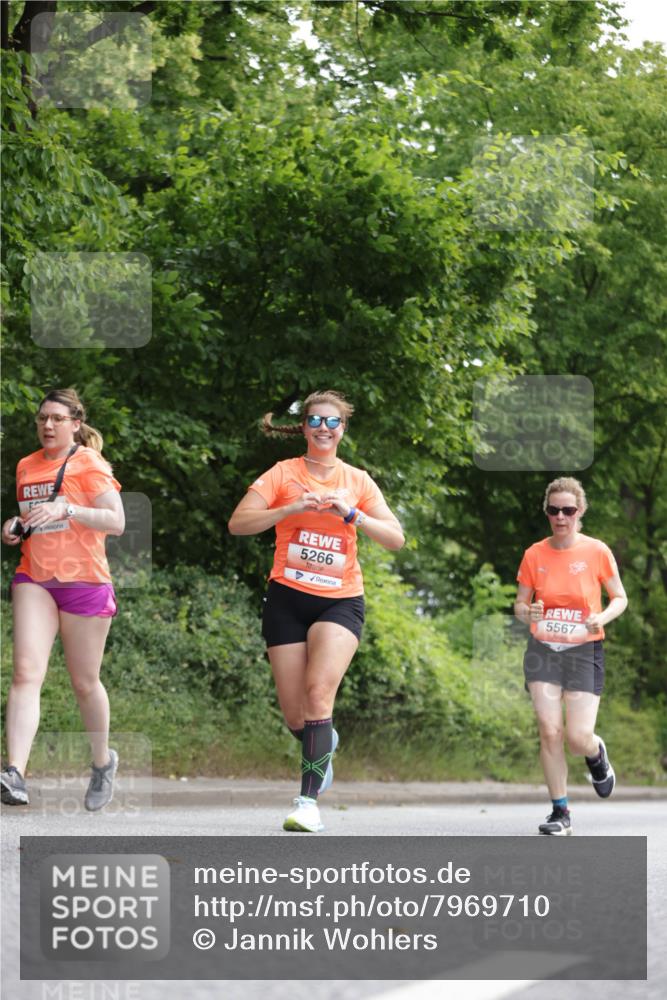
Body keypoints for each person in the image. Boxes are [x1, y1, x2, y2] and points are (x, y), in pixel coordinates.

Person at [228, 390, 404, 832]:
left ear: (343, 429)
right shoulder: (283, 473)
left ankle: (307, 803)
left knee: (318, 696)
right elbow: (238, 523)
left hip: (340, 600)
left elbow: (395, 538)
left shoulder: (357, 480)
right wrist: (289, 507)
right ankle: (322, 742)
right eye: (316, 422)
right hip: (287, 597)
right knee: (296, 715)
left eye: (333, 423)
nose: (324, 429)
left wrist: (352, 515)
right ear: (304, 427)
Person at [1, 388, 125, 811]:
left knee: (83, 682)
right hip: (35, 575)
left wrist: (68, 509)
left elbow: (117, 521)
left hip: (84, 581)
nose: (47, 426)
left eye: (56, 418)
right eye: (41, 419)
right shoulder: (26, 465)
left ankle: (102, 762)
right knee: (25, 672)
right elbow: (35, 518)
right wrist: (16, 525)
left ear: (75, 423)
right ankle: (15, 772)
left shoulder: (88, 463)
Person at [514, 476, 627, 836]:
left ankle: (595, 755)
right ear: (547, 512)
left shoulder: (597, 551)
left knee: (577, 737)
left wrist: (602, 616)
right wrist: (526, 613)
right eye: (554, 510)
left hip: (583, 649)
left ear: (580, 512)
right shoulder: (535, 554)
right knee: (550, 731)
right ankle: (559, 812)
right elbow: (520, 604)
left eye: (568, 510)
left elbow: (620, 598)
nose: (561, 516)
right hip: (543, 649)